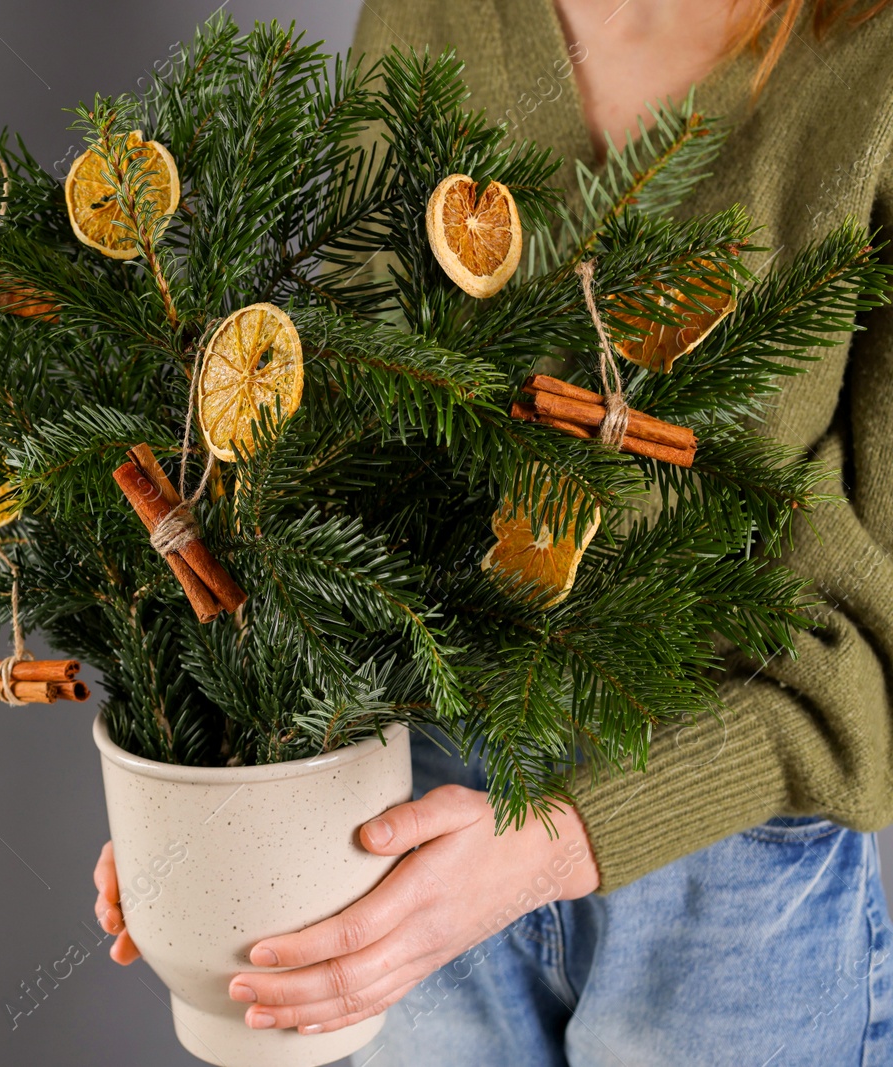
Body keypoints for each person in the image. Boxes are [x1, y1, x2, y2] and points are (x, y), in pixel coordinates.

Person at [92, 1, 893, 1061]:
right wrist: (220, 779)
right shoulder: (427, 18)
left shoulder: (869, 63)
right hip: (397, 802)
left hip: (728, 863)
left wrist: (558, 843)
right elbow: (323, 460)